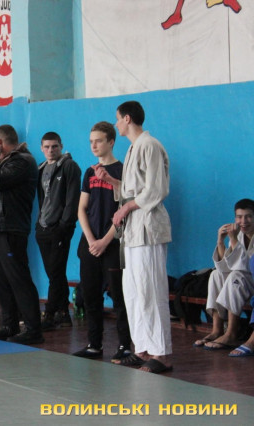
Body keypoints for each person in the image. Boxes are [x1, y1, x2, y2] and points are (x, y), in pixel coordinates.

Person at [112, 100, 173, 374]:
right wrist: (113, 183)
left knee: (152, 290)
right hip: (133, 231)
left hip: (149, 227)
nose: (116, 124)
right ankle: (143, 348)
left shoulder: (150, 145)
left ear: (127, 118)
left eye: (118, 119)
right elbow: (132, 189)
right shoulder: (132, 148)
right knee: (134, 292)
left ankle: (162, 354)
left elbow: (156, 189)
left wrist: (126, 207)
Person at [72, 122, 133, 363]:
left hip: (113, 245)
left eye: (98, 141)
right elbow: (81, 209)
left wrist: (105, 241)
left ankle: (125, 346)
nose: (94, 145)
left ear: (111, 142)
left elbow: (125, 210)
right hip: (90, 244)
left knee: (119, 297)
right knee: (90, 296)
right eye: (91, 141)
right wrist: (91, 240)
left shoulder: (122, 171)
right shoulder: (89, 172)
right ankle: (94, 344)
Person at [0, 124, 44, 345]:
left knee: (18, 279)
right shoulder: (3, 162)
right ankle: (8, 324)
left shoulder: (22, 161)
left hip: (10, 227)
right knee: (0, 279)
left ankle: (33, 329)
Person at [35, 131, 81, 330]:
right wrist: (39, 224)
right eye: (47, 147)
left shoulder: (69, 166)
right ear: (41, 148)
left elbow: (73, 199)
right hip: (43, 228)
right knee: (55, 273)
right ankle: (63, 313)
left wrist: (64, 225)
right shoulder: (41, 168)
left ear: (61, 146)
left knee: (55, 272)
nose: (51, 150)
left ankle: (50, 313)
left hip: (60, 228)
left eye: (54, 146)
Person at [194, 199, 254, 350]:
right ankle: (217, 329)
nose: (243, 221)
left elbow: (242, 267)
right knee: (215, 275)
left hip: (250, 280)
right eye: (239, 217)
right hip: (242, 282)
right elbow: (225, 267)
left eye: (248, 216)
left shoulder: (237, 236)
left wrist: (233, 239)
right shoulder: (239, 235)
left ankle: (231, 334)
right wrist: (220, 241)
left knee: (235, 276)